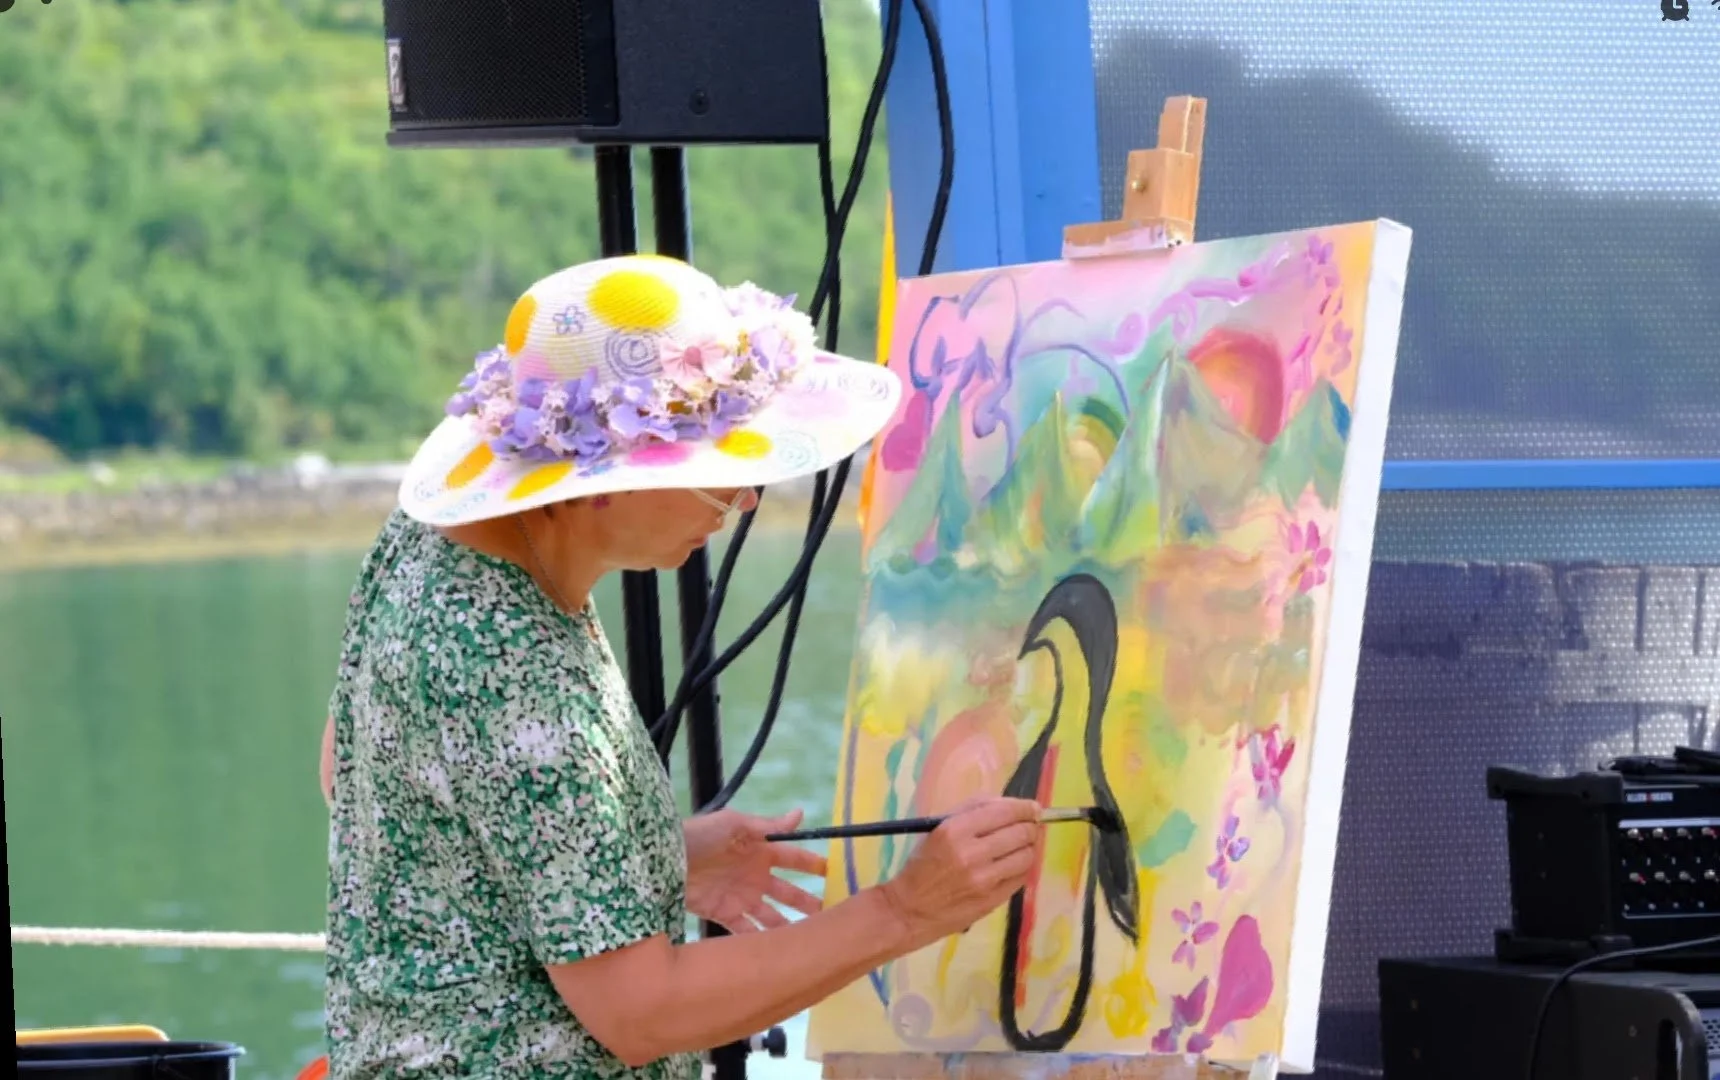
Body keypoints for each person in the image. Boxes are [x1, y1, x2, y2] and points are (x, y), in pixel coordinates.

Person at [319, 254, 1044, 1080]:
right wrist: (905, 910)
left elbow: (358, 771)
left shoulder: (432, 549)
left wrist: (631, 862)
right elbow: (641, 1012)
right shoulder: (518, 676)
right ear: (595, 486)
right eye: (717, 476)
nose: (740, 505)